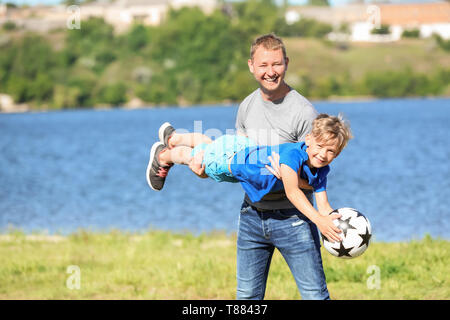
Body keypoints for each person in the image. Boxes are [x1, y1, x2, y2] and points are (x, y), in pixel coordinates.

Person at [146, 113, 352, 297]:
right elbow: (292, 192)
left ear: (338, 153)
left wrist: (336, 225)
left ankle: (174, 137)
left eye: (331, 151)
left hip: (245, 149)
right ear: (308, 140)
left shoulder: (322, 169)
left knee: (209, 144)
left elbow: (323, 205)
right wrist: (318, 221)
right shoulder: (292, 155)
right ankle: (164, 155)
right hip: (229, 160)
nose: (323, 155)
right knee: (195, 156)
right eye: (319, 147)